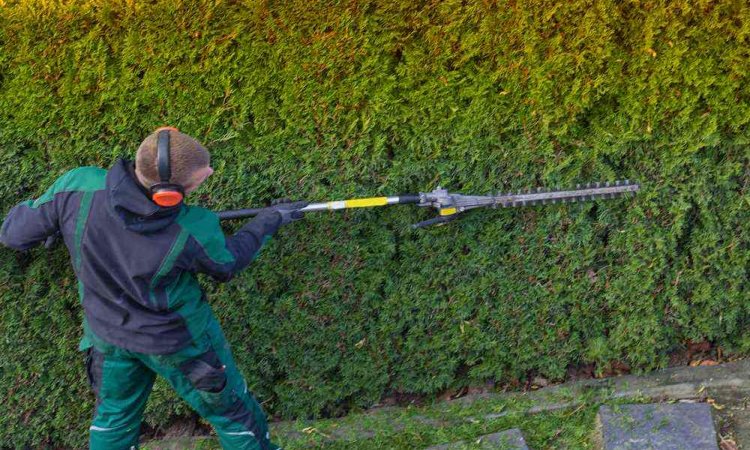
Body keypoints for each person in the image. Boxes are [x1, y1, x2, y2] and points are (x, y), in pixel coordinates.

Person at [0, 127, 306, 450]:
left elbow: (13, 234)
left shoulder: (77, 187)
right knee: (234, 415)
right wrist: (269, 220)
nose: (210, 174)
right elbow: (227, 263)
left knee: (113, 424)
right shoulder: (190, 227)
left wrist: (54, 225)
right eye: (201, 178)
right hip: (181, 345)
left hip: (108, 338)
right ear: (168, 195)